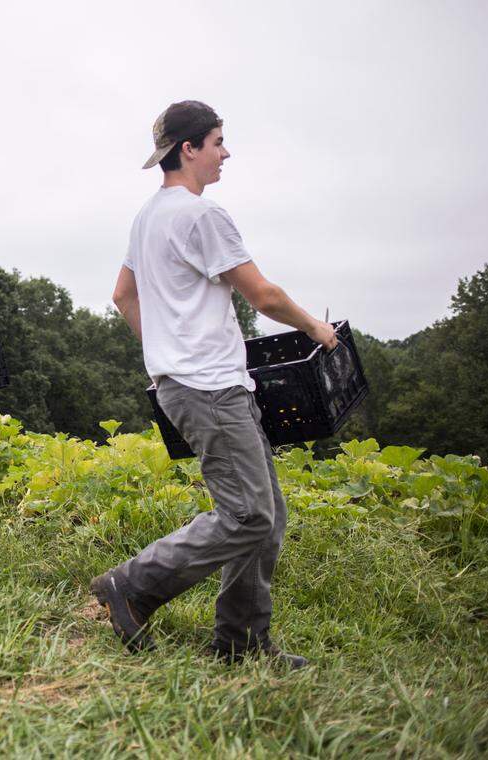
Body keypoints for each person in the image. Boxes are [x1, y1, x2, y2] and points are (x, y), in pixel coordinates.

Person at [92, 101, 338, 669]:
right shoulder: (203, 216)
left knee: (266, 516)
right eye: (218, 142)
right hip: (209, 387)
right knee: (248, 514)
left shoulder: (148, 216)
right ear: (189, 149)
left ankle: (241, 642)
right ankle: (131, 585)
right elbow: (262, 295)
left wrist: (163, 352)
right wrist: (316, 327)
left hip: (192, 381)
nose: (226, 153)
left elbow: (123, 297)